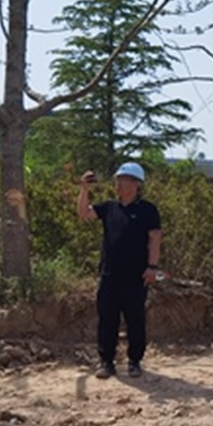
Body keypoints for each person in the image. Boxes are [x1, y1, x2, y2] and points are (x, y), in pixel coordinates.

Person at [77, 161, 162, 379]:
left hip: (136, 276)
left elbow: (155, 239)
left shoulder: (148, 210)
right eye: (118, 180)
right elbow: (84, 213)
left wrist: (152, 267)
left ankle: (135, 361)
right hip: (110, 274)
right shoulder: (109, 208)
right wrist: (84, 189)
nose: (119, 184)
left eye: (124, 180)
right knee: (107, 319)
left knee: (135, 319)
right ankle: (106, 361)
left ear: (136, 184)